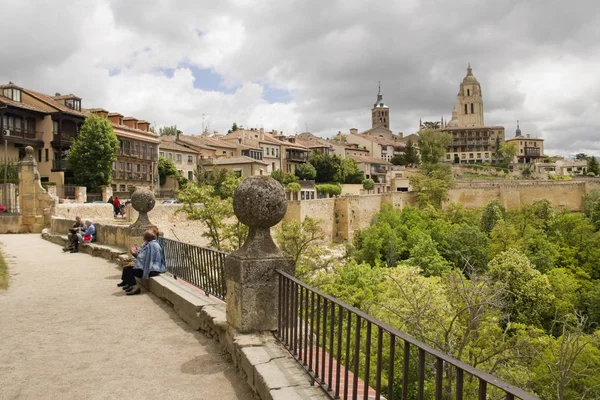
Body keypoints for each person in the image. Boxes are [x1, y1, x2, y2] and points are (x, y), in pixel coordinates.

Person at [118, 229, 166, 295]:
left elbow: (144, 259)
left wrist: (134, 253)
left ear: (145, 238)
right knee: (128, 268)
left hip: (152, 270)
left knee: (128, 270)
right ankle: (131, 285)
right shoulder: (153, 244)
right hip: (152, 268)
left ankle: (135, 288)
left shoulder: (151, 246)